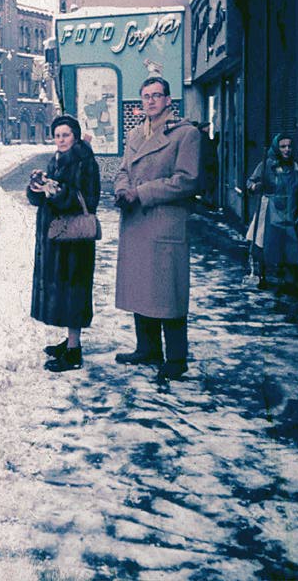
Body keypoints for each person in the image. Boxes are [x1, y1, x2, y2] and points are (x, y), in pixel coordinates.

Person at [114, 77, 201, 383]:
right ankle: (147, 349)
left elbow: (187, 179)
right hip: (137, 220)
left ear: (168, 100)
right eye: (146, 96)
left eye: (156, 96)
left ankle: (176, 358)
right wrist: (123, 189)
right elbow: (123, 169)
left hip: (164, 220)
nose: (150, 101)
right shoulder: (136, 134)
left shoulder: (185, 134)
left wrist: (143, 192)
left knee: (168, 291)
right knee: (142, 287)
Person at [27, 114, 101, 373]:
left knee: (74, 291)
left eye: (66, 135)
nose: (61, 140)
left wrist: (59, 193)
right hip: (57, 238)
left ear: (76, 136)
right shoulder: (55, 159)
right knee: (64, 291)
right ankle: (70, 341)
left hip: (74, 241)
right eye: (57, 135)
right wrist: (36, 187)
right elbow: (43, 198)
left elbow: (89, 199)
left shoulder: (85, 161)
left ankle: (74, 351)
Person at [246, 133, 298, 287]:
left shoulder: (295, 166)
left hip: (289, 209)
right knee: (264, 241)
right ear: (276, 148)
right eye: (283, 146)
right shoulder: (267, 164)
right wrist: (254, 186)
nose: (287, 150)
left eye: (289, 146)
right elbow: (251, 182)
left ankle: (287, 277)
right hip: (270, 207)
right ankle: (261, 274)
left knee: (289, 242)